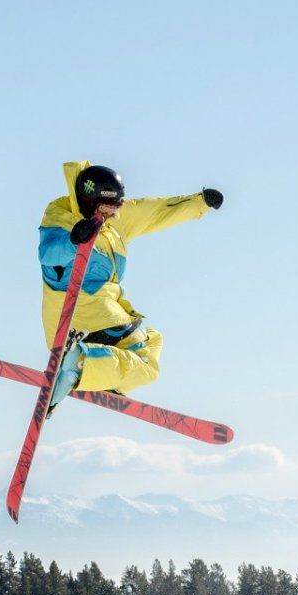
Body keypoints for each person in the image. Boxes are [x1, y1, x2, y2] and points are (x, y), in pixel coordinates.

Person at [37, 160, 223, 409]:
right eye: (106, 208)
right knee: (146, 367)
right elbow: (49, 255)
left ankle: (101, 376)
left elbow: (155, 211)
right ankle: (80, 363)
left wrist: (198, 202)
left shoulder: (114, 220)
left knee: (153, 340)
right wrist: (74, 240)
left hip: (104, 309)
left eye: (117, 207)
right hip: (78, 314)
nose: (112, 214)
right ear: (88, 200)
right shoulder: (62, 216)